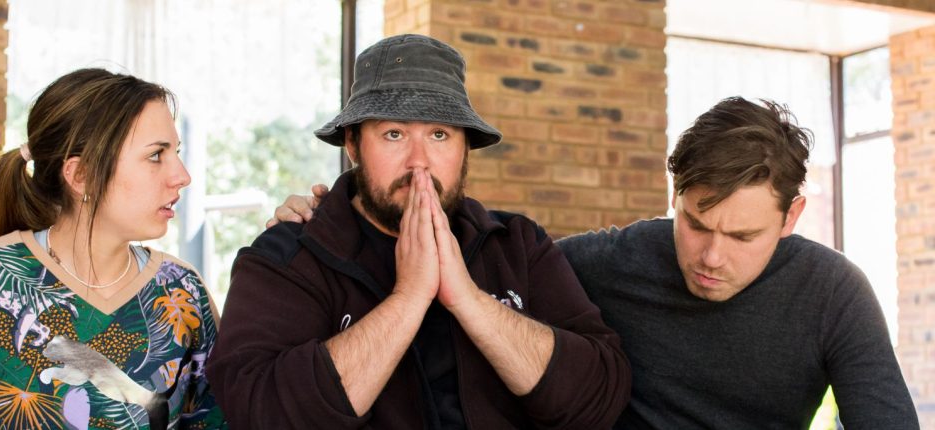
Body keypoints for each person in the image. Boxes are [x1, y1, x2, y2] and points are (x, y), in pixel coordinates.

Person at [269, 96, 920, 428]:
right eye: (695, 223)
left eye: (743, 235)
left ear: (792, 215)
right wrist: (335, 216)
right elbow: (481, 260)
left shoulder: (833, 293)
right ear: (674, 196)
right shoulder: (606, 260)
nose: (711, 256)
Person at [205, 34, 631, 429]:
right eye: (394, 134)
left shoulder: (517, 244)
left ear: (465, 149)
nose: (419, 161)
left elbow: (598, 399)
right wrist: (408, 298)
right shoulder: (289, 255)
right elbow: (259, 410)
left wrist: (468, 300)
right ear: (352, 144)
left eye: (439, 135)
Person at [0, 68, 227, 429]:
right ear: (81, 175)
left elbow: (217, 419)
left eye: (176, 153)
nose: (182, 176)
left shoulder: (182, 293)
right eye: (156, 155)